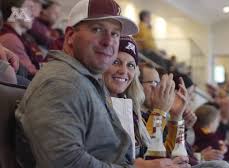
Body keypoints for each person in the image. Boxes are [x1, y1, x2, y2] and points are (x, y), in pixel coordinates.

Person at [15, 0, 143, 167]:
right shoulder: (62, 83)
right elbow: (66, 162)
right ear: (69, 37)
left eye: (115, 34)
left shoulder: (84, 79)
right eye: (97, 29)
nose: (109, 41)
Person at [103, 35, 190, 168]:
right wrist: (158, 113)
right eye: (116, 62)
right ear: (139, 83)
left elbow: (168, 155)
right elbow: (144, 155)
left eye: (130, 65)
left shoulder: (133, 112)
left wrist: (176, 118)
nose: (123, 71)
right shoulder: (100, 103)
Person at [1, 0, 41, 78]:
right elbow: (32, 74)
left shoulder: (26, 37)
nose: (34, 15)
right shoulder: (10, 39)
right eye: (30, 8)